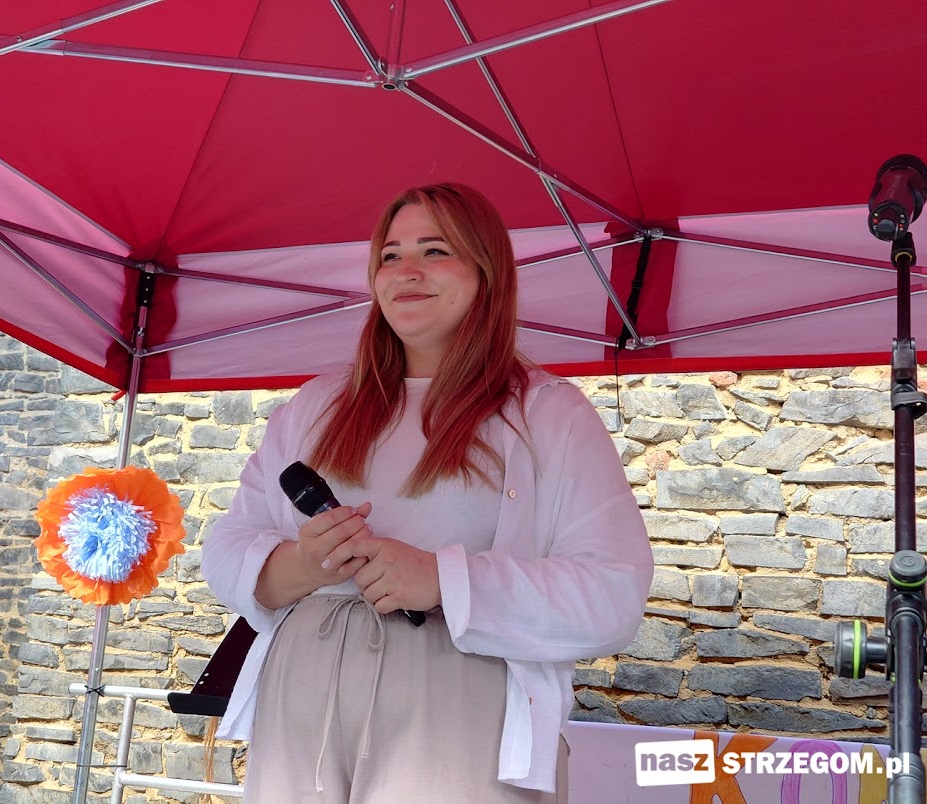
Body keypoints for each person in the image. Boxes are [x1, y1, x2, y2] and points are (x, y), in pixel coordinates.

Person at [201, 183, 653, 802]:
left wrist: (444, 581)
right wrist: (303, 562)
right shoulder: (316, 405)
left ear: (486, 272)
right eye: (390, 255)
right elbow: (227, 547)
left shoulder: (549, 415)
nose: (406, 272)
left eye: (435, 251)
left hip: (458, 708)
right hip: (300, 706)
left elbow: (611, 595)